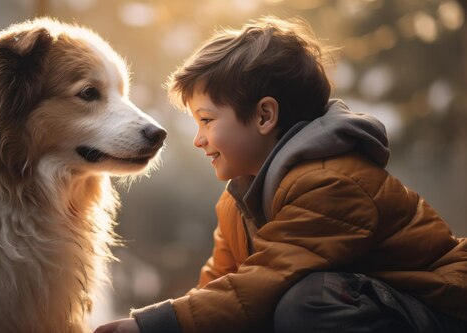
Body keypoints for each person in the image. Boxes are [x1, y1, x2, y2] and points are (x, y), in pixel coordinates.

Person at [94, 16, 467, 333]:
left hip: (441, 310)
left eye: (207, 120)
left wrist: (151, 325)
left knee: (307, 302)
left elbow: (265, 280)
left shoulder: (332, 184)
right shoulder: (238, 200)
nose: (198, 139)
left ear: (264, 116)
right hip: (383, 304)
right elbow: (222, 290)